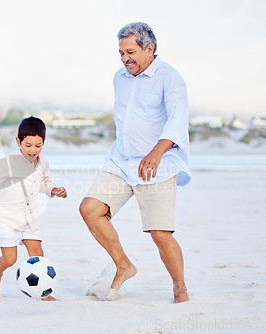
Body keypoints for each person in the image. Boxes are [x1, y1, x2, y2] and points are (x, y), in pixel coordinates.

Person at [79, 22, 191, 303]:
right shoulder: (120, 77)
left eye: (130, 51)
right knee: (90, 209)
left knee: (160, 234)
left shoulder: (170, 78)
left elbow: (177, 122)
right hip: (121, 160)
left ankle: (180, 287)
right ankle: (124, 265)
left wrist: (155, 153)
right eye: (120, 52)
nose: (125, 58)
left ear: (149, 49)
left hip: (159, 163)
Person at [0, 116, 67, 301]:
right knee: (9, 260)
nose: (33, 150)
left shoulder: (43, 162)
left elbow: (43, 183)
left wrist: (54, 190)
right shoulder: (8, 162)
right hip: (6, 217)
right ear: (18, 141)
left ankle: (44, 293)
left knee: (38, 255)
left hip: (29, 217)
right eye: (28, 145)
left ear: (43, 143)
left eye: (38, 145)